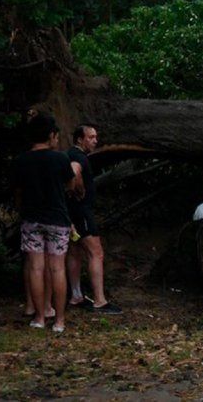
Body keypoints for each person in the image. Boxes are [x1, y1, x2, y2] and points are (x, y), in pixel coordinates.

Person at [12, 114, 76, 332]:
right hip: (57, 219)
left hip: (31, 220)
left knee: (35, 268)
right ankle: (59, 321)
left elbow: (18, 192)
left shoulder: (21, 161)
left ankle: (39, 317)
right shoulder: (60, 159)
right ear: (51, 135)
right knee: (57, 269)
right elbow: (70, 186)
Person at [66, 124, 122, 314]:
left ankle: (76, 295)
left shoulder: (71, 154)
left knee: (74, 252)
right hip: (82, 212)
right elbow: (74, 172)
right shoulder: (79, 156)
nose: (95, 141)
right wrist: (78, 188)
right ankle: (99, 300)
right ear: (80, 139)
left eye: (95, 137)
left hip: (73, 212)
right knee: (96, 253)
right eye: (91, 137)